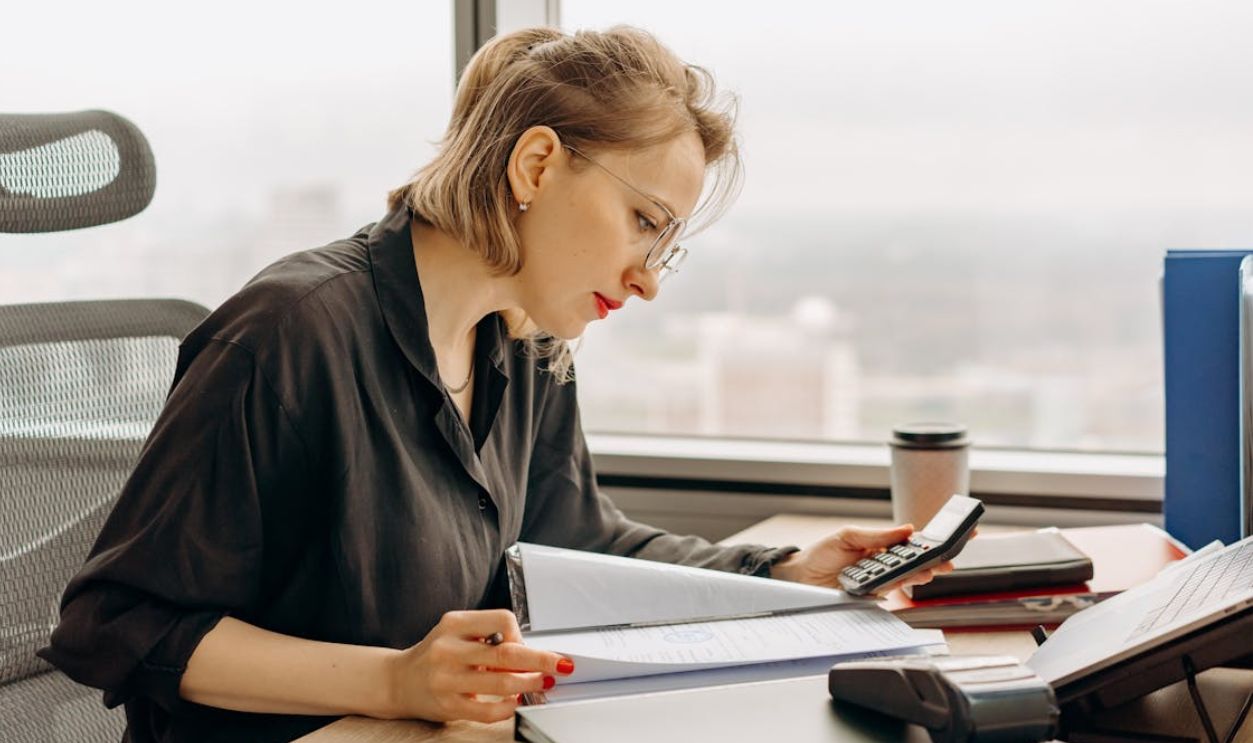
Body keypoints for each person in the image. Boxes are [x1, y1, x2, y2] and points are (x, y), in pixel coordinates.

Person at [39, 25, 949, 743]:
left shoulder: (525, 343)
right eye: (643, 221)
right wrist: (395, 679)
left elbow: (577, 539)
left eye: (665, 244)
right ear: (536, 164)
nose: (648, 280)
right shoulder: (290, 332)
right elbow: (113, 622)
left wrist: (781, 572)